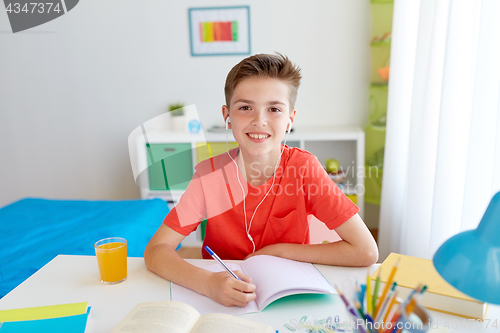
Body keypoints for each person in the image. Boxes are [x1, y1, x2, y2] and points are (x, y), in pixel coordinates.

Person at [144, 53, 378, 308]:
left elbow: (365, 251)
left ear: (290, 119)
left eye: (274, 109)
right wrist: (208, 283)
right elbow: (157, 251)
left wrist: (279, 250)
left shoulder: (304, 169)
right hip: (222, 301)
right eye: (245, 107)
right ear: (227, 116)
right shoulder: (209, 176)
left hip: (289, 297)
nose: (259, 121)